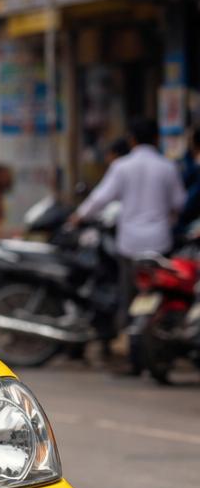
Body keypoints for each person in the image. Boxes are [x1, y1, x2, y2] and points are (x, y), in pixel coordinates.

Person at [71, 116, 186, 369]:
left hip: (129, 244)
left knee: (130, 297)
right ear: (157, 139)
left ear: (132, 139)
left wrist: (78, 216)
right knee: (160, 296)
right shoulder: (168, 167)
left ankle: (133, 356)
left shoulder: (122, 167)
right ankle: (158, 351)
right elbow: (180, 203)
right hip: (159, 242)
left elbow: (101, 197)